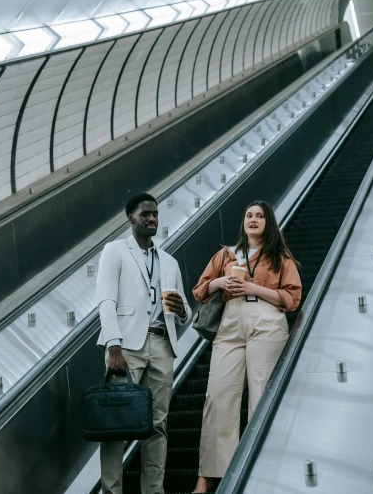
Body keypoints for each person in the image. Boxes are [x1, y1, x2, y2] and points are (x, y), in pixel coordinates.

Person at [190, 201, 301, 493]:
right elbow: (200, 290)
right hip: (230, 322)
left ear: (269, 222)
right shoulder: (226, 254)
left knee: (261, 391)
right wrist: (219, 282)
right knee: (218, 394)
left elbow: (292, 297)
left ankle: (259, 468)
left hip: (265, 319)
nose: (253, 219)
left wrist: (253, 288)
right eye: (249, 215)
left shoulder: (279, 256)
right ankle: (210, 473)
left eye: (260, 216)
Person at [97, 192, 193, 494]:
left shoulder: (169, 262)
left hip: (163, 346)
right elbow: (106, 299)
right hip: (126, 345)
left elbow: (186, 313)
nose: (151, 218)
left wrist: (182, 311)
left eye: (155, 214)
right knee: (116, 425)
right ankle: (112, 491)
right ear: (131, 217)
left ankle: (154, 490)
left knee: (158, 425)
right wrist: (113, 343)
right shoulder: (115, 251)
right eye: (145, 214)